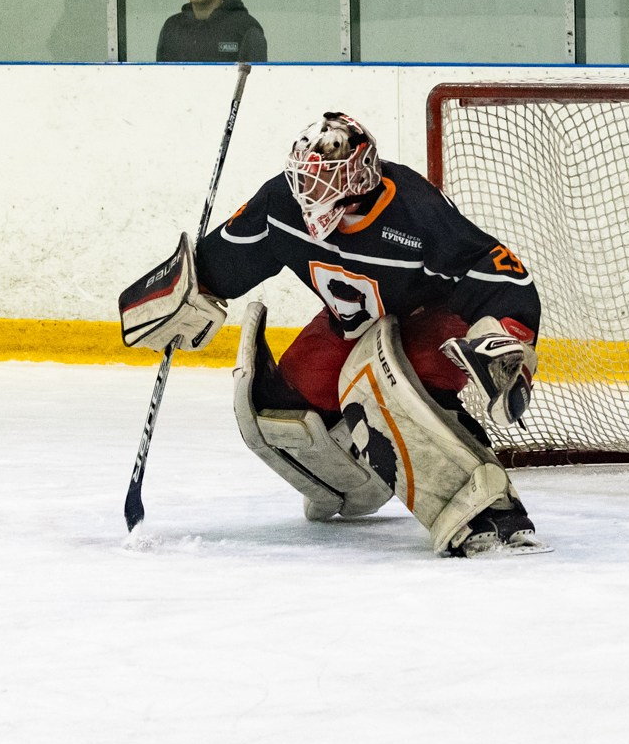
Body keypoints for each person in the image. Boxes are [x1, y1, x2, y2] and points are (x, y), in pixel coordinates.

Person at [118, 113, 544, 557]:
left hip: (429, 325)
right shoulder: (282, 204)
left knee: (380, 387)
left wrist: (506, 337)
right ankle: (360, 481)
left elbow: (501, 277)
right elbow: (225, 260)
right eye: (303, 179)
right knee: (279, 411)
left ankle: (491, 507)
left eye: (321, 182)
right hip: (352, 328)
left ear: (357, 177)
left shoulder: (417, 213)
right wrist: (186, 288)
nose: (307, 193)